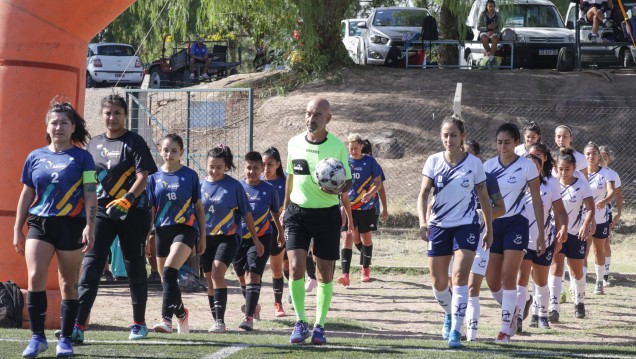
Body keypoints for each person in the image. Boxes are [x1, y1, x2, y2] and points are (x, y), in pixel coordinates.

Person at [72, 94, 157, 343]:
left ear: (125, 115)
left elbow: (144, 176)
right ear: (102, 115)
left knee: (134, 266)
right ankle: (78, 325)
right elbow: (88, 178)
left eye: (117, 113)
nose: (112, 117)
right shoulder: (93, 144)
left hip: (133, 211)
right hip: (101, 211)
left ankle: (139, 324)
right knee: (91, 265)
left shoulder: (135, 142)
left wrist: (127, 200)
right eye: (108, 113)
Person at [14, 101, 96, 358]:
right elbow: (26, 194)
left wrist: (89, 226)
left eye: (64, 122)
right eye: (54, 122)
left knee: (68, 284)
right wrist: (17, 227)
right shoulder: (35, 157)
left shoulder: (84, 158)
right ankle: (37, 338)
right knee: (35, 276)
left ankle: (65, 339)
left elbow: (91, 195)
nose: (58, 127)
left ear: (73, 127)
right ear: (47, 127)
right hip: (39, 223)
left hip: (71, 224)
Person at [417, 116, 493, 348]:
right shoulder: (433, 161)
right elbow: (423, 195)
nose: (448, 139)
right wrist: (423, 222)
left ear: (463, 136)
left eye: (453, 135)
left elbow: (484, 197)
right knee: (438, 282)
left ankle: (455, 332)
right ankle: (450, 313)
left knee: (460, 277)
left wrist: (488, 229)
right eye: (445, 135)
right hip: (439, 226)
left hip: (466, 226)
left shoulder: (474, 164)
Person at [282, 97, 353, 345]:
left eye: (317, 115)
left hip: (327, 215)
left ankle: (320, 326)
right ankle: (300, 321)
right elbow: (290, 178)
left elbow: (349, 181)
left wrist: (337, 190)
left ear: (328, 119)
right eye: (308, 113)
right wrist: (284, 207)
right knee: (295, 267)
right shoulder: (293, 143)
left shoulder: (337, 147)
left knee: (324, 274)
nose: (311, 118)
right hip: (297, 214)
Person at [483, 122, 545, 343]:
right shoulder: (488, 166)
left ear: (517, 143)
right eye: (499, 142)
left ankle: (505, 329)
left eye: (507, 142)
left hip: (516, 225)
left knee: (510, 277)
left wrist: (541, 233)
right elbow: (480, 198)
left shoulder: (527, 166)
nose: (503, 147)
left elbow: (537, 201)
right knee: (492, 281)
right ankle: (516, 306)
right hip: (493, 225)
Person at [147, 134, 206, 335]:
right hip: (162, 230)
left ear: (181, 152)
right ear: (160, 151)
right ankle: (181, 313)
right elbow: (152, 210)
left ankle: (166, 320)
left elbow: (198, 208)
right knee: (167, 280)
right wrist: (148, 236)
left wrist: (203, 237)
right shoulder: (153, 179)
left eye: (174, 150)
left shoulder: (190, 175)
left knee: (170, 272)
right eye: (165, 150)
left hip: (185, 229)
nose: (169, 154)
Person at [200, 145, 261, 333]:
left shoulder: (234, 186)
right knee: (210, 279)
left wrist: (256, 239)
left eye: (219, 167)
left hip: (229, 237)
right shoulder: (200, 185)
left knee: (218, 273)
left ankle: (220, 321)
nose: (214, 170)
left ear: (226, 166)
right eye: (211, 166)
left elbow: (247, 214)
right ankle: (216, 319)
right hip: (205, 238)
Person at [517, 143, 568, 333]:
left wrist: (562, 229)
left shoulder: (551, 184)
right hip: (521, 240)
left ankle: (542, 316)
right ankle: (519, 317)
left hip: (544, 239)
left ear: (540, 168)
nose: (531, 170)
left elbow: (561, 212)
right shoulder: (517, 186)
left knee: (541, 280)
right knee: (521, 278)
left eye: (535, 167)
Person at [459, 140, 505, 342]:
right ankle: (456, 328)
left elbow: (501, 208)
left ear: (477, 158)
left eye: (469, 154)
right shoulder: (454, 176)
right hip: (457, 238)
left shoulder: (489, 178)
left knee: (472, 286)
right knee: (455, 284)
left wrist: (483, 215)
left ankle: (472, 335)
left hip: (481, 238)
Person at [233, 151, 284, 330]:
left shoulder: (269, 189)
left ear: (262, 169)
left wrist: (280, 233)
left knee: (253, 274)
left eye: (256, 168)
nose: (252, 171)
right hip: (239, 238)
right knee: (242, 276)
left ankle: (248, 317)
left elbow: (275, 215)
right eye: (249, 168)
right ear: (244, 168)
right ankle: (254, 306)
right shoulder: (237, 187)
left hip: (262, 238)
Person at [548, 148, 595, 321]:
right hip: (556, 233)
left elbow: (590, 208)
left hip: (576, 233)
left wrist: (585, 224)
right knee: (556, 267)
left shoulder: (581, 184)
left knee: (576, 271)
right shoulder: (552, 184)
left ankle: (579, 302)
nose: (563, 172)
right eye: (560, 169)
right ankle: (554, 308)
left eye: (567, 169)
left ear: (574, 168)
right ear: (556, 168)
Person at [337, 133, 382, 285]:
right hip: (347, 206)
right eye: (351, 148)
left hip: (365, 207)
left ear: (362, 146)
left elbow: (378, 182)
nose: (353, 151)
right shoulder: (344, 162)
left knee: (366, 237)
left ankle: (365, 269)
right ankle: (345, 275)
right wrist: (340, 203)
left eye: (356, 148)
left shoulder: (370, 162)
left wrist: (370, 194)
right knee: (347, 238)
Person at [581, 142, 615, 295]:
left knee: (598, 250)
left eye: (594, 153)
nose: (591, 156)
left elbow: (612, 191)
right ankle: (579, 281)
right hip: (582, 219)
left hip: (600, 219)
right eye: (588, 154)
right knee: (583, 250)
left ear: (598, 156)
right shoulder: (579, 173)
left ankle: (599, 281)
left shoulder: (607, 173)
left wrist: (605, 200)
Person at [262, 147, 288, 317]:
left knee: (282, 267)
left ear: (278, 164)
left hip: (283, 228)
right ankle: (252, 306)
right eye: (263, 164)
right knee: (272, 268)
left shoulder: (286, 182)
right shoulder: (256, 181)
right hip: (262, 230)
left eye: (270, 164)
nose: (266, 168)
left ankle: (279, 303)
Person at [599, 145, 622, 287]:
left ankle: (604, 275)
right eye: (599, 157)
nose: (602, 160)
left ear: (609, 159)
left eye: (605, 158)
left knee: (605, 242)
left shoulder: (612, 174)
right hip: (586, 211)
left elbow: (618, 194)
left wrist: (618, 214)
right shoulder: (586, 173)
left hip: (604, 212)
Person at [479, 0, 501, 65]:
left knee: (495, 38)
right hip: (485, 32)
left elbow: (501, 26)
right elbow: (478, 27)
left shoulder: (498, 15)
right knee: (483, 38)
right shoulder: (483, 14)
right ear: (487, 6)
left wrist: (493, 30)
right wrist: (487, 28)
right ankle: (489, 53)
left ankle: (491, 60)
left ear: (494, 7)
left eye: (492, 6)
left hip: (494, 32)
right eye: (489, 6)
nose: (491, 8)